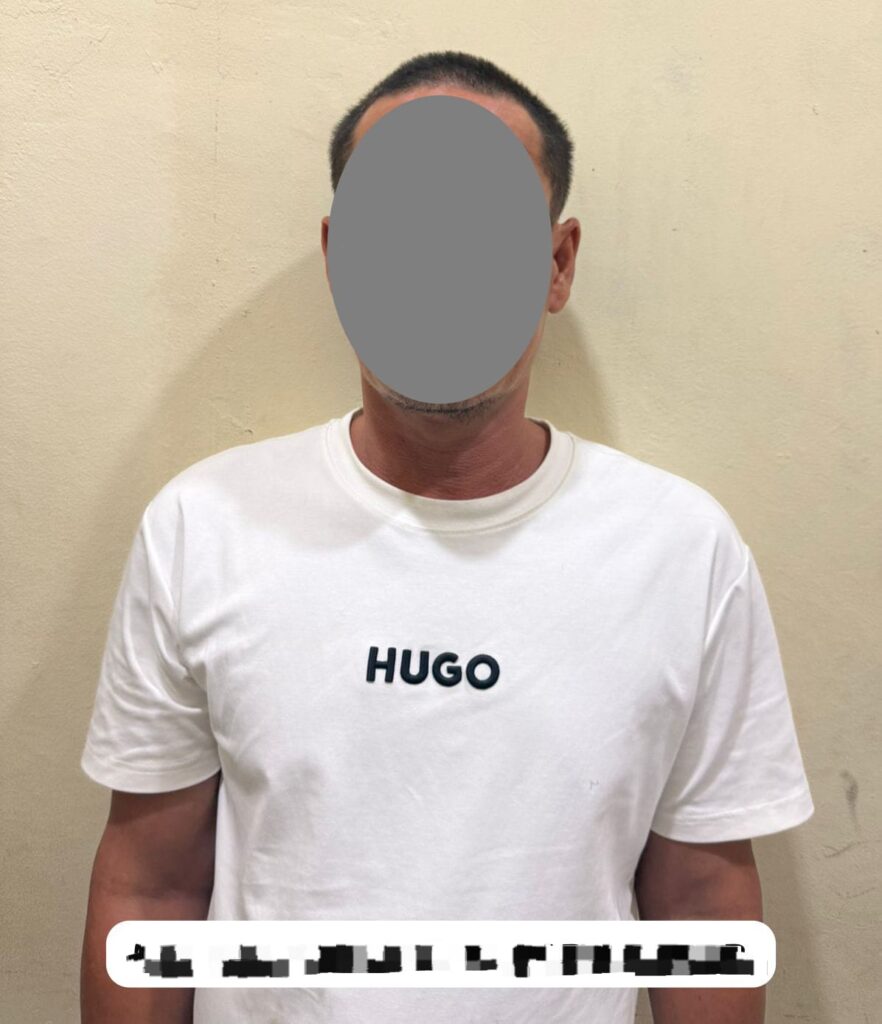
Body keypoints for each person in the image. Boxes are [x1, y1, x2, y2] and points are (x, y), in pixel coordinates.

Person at [80, 50, 814, 1024]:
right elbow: (151, 889)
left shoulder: (683, 551)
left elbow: (700, 908)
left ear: (557, 265)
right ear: (340, 256)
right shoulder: (202, 527)